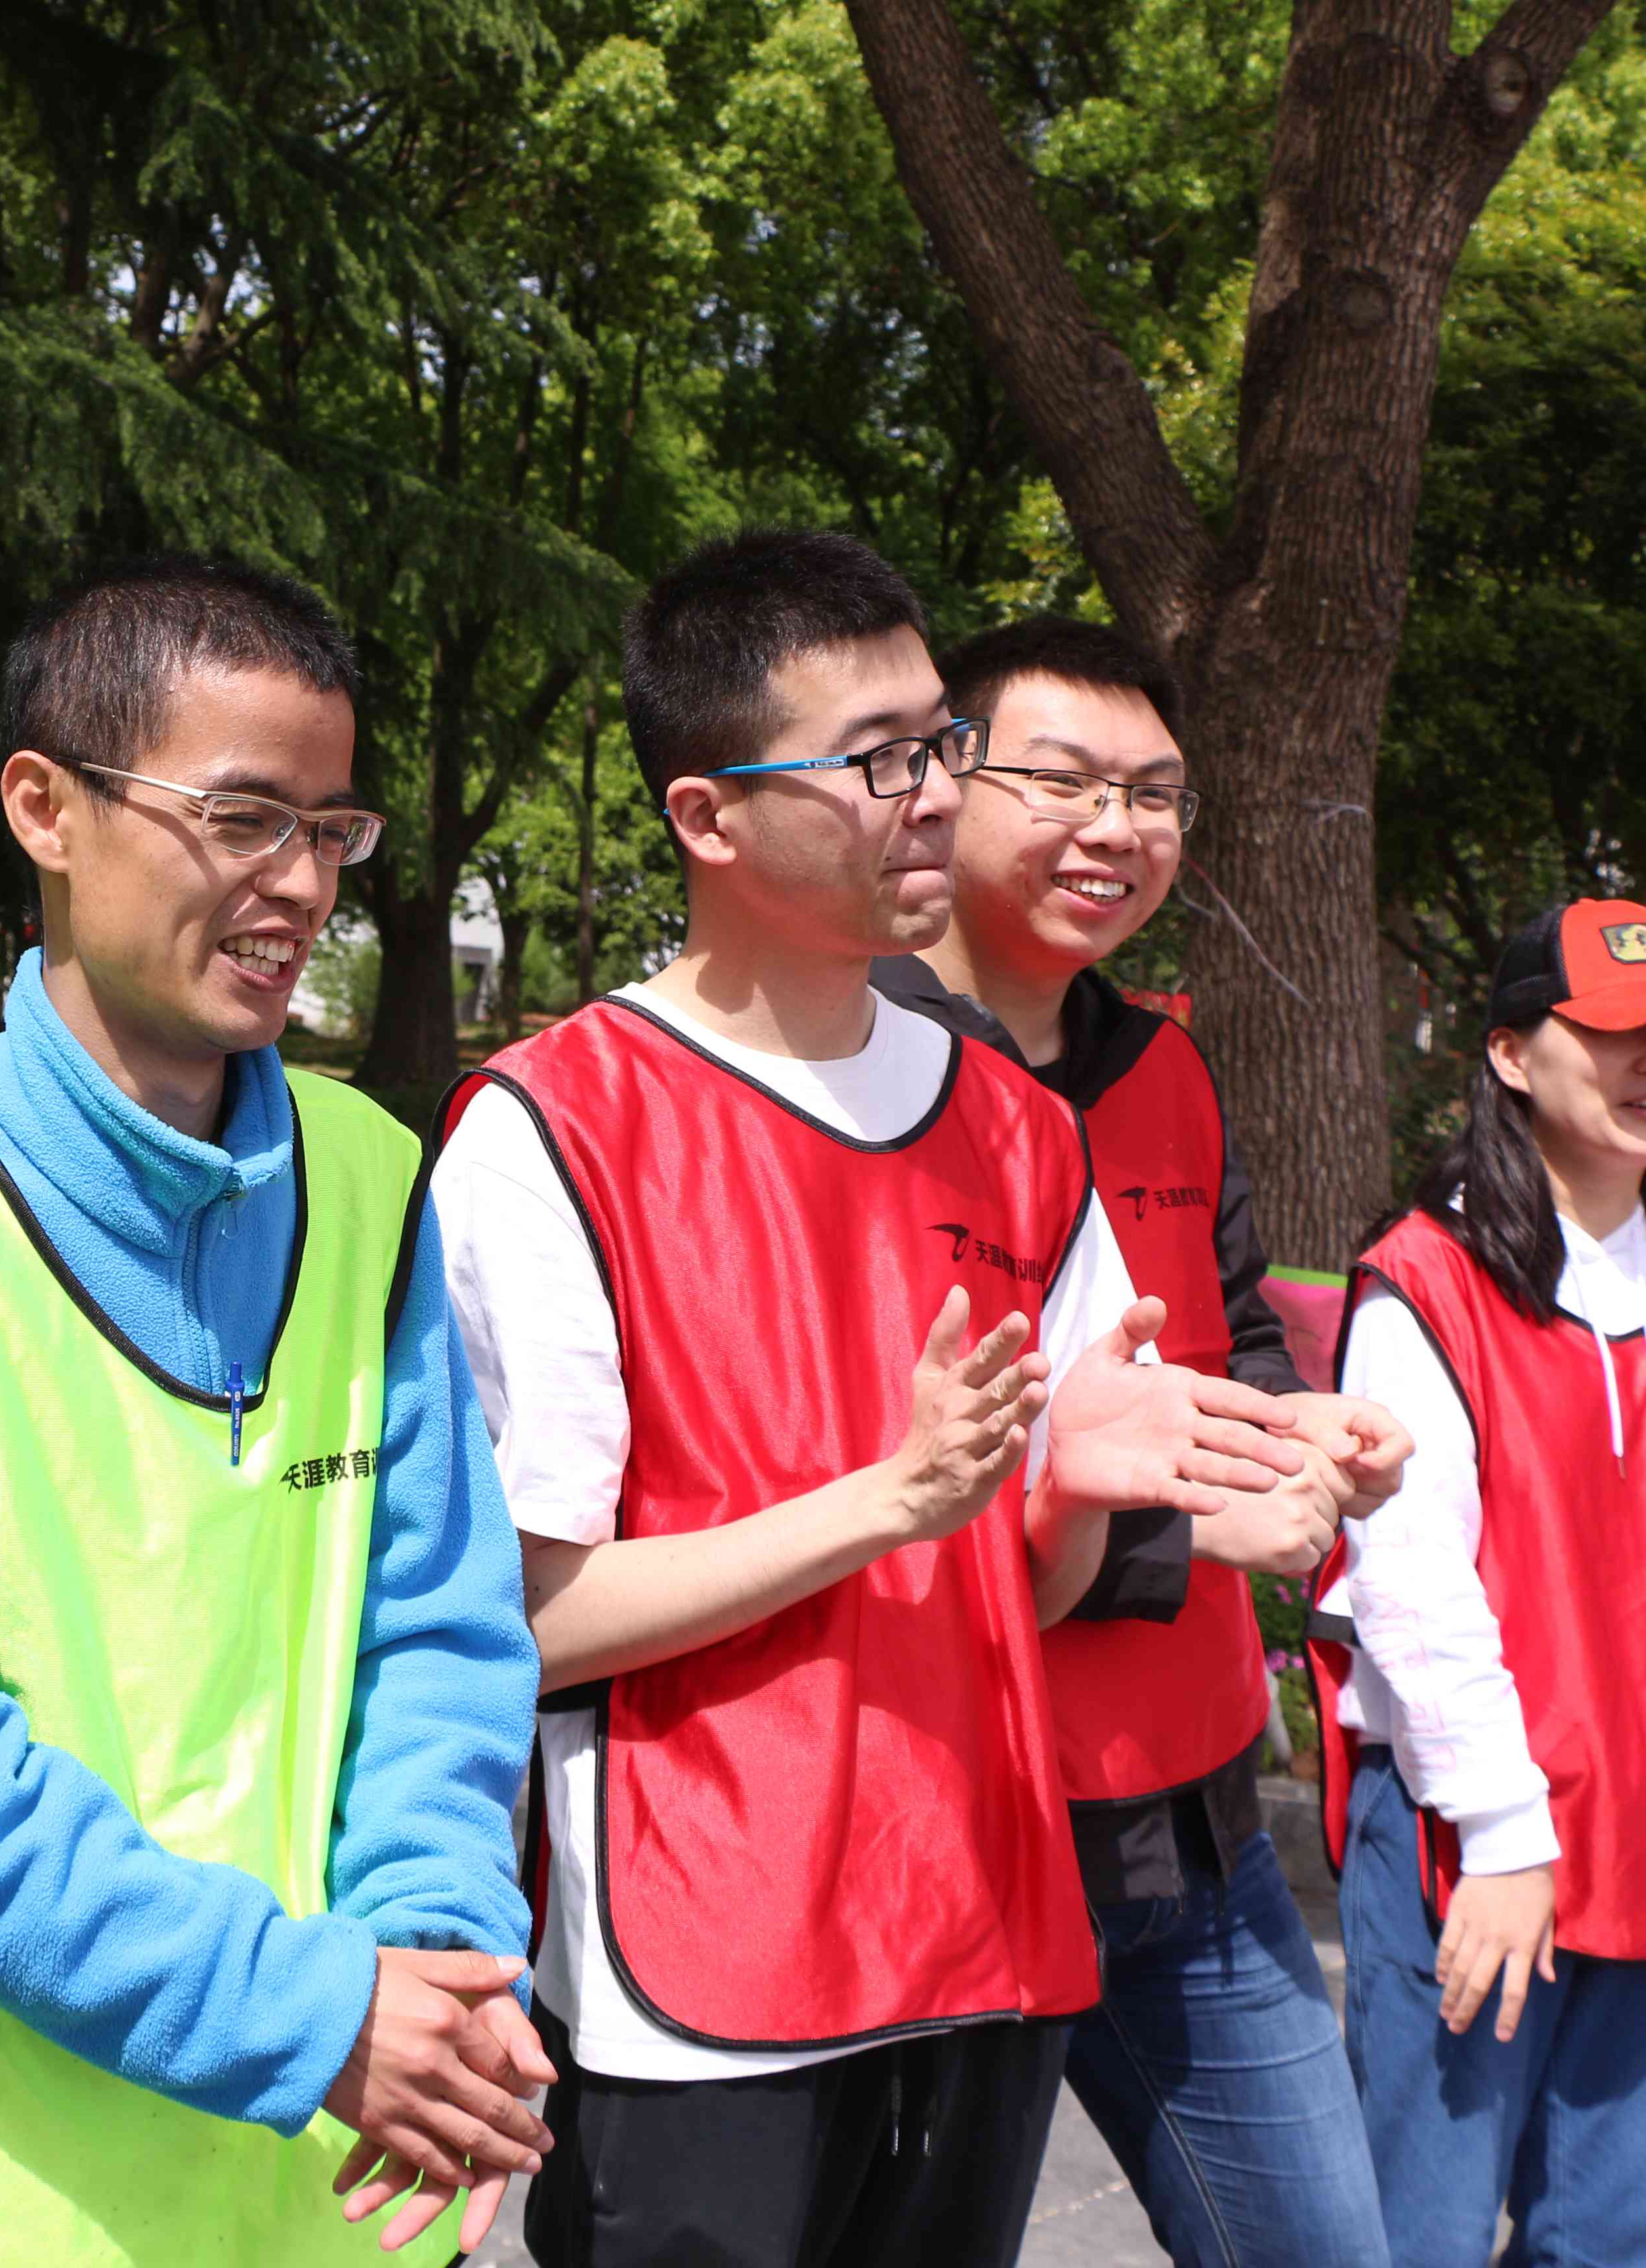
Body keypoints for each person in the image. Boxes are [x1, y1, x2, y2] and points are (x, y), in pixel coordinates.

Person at [433, 531, 1349, 2268]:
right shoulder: (557, 1127)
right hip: (702, 1970)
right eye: (876, 760)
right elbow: (528, 1621)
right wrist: (895, 1497)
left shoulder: (1015, 1127)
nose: (930, 795)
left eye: (940, 745)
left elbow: (1036, 1585)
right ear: (708, 817)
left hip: (982, 1930)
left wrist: (1082, 1488)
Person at [0, 556, 546, 2267]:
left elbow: (443, 1631)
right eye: (246, 819)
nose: (302, 886)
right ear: (45, 805)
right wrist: (312, 2015)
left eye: (334, 831)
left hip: (358, 2162)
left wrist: (439, 1961)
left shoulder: (373, 1182)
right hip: (11, 2180)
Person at [877, 616, 1404, 2268]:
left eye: (1155, 794)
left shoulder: (1161, 1063)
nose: (1115, 828)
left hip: (1186, 1818)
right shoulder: (847, 1079)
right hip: (945, 1813)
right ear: (939, 777)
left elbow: (1227, 1327)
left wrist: (1290, 1437)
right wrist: (1193, 1528)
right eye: (1062, 781)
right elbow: (860, 1481)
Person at [1311, 897, 1646, 2268]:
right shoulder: (1424, 1283)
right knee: (1414, 2231)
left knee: (1613, 2239)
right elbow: (1412, 1581)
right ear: (1507, 1054)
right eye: (1614, 1033)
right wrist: (1501, 1833)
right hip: (1476, 1847)